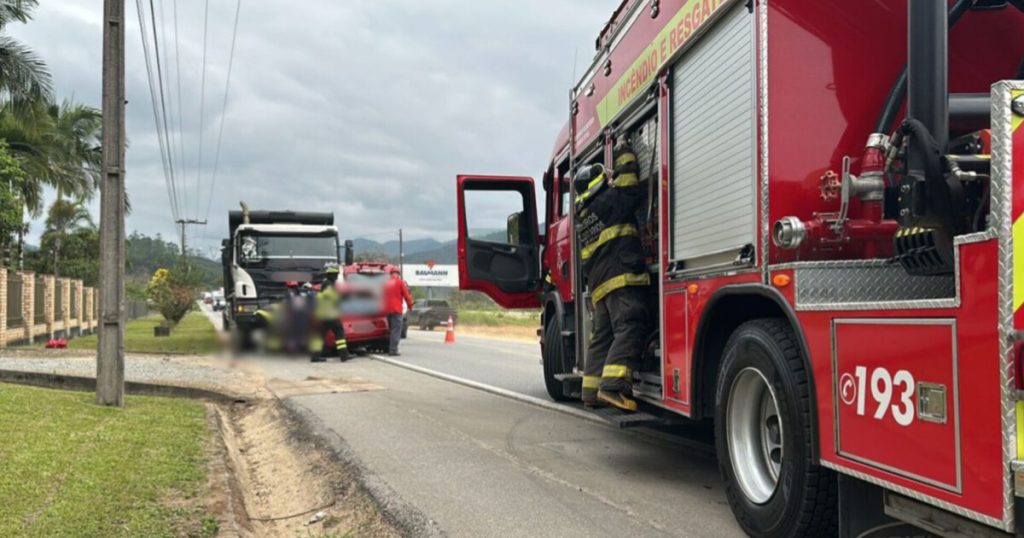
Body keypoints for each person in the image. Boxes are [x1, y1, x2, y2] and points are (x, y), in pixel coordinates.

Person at [574, 141, 651, 412]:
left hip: (600, 287)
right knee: (630, 325)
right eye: (604, 178)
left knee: (602, 338)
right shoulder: (610, 200)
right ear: (598, 183)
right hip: (621, 278)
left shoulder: (583, 217)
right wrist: (625, 152)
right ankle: (613, 387)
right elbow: (630, 186)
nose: (609, 179)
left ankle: (590, 391)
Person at [311, 264, 349, 362]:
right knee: (339, 331)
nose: (336, 277)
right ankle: (344, 355)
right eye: (335, 274)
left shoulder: (326, 283)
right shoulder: (328, 284)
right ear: (331, 274)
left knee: (320, 335)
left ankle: (315, 356)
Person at [382, 268, 414, 356]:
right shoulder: (400, 283)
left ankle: (387, 347)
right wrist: (410, 306)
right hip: (396, 310)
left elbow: (382, 297)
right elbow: (407, 296)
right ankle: (393, 350)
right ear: (398, 274)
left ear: (390, 274)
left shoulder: (385, 284)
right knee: (396, 331)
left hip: (387, 310)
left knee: (391, 330)